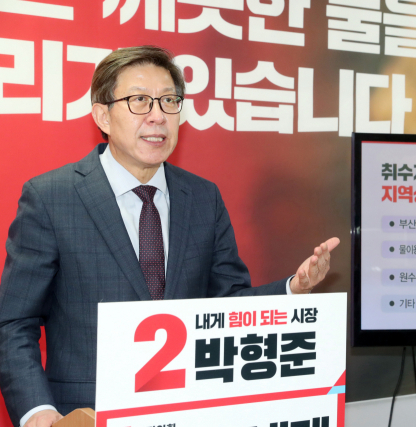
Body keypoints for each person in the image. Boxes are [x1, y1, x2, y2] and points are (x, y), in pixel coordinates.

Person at [0, 46, 339, 427]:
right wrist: (38, 413)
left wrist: (294, 288)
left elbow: (227, 304)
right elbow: (13, 322)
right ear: (102, 115)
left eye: (169, 101)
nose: (158, 116)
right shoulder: (51, 197)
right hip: (85, 414)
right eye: (139, 101)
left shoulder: (203, 197)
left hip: (189, 410)